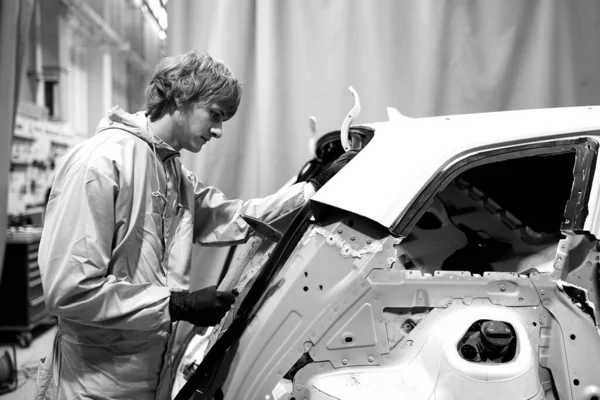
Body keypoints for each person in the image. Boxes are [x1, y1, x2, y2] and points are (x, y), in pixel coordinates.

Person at [35, 50, 357, 400]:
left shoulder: (172, 172)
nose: (218, 130)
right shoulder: (100, 163)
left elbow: (232, 216)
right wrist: (176, 305)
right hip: (95, 380)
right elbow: (68, 289)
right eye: (215, 115)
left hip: (150, 371)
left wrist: (312, 188)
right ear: (181, 97)